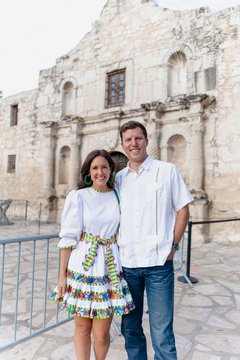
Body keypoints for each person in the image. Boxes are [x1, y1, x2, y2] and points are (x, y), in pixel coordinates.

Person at [115, 121, 192, 360]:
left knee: (162, 332)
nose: (133, 144)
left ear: (147, 141)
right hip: (127, 265)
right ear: (122, 144)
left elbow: (183, 209)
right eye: (128, 140)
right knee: (130, 328)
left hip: (158, 264)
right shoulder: (118, 179)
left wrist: (174, 246)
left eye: (138, 138)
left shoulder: (166, 170)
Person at [50, 149, 134, 360]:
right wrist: (62, 276)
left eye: (104, 167)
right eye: (95, 168)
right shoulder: (78, 196)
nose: (100, 172)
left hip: (109, 269)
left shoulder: (118, 195)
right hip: (82, 266)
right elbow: (68, 238)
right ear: (88, 171)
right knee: (82, 328)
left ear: (111, 170)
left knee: (102, 335)